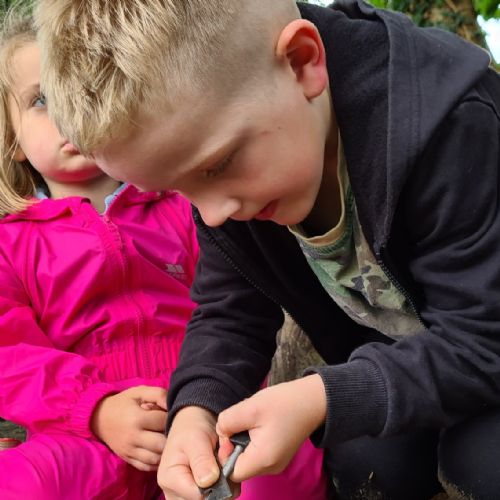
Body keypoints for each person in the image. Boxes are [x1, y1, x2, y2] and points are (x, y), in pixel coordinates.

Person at [34, 0, 500, 498]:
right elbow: (229, 311)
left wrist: (324, 394)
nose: (210, 215)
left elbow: (485, 337)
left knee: (483, 461)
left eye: (216, 165)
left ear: (302, 62)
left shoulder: (447, 123)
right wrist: (197, 408)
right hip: (422, 367)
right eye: (176, 190)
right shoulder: (231, 175)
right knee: (366, 459)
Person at [0, 8, 327, 500]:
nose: (70, 114)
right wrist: (94, 408)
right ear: (14, 140)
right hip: (88, 434)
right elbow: (9, 354)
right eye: (43, 100)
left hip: (210, 407)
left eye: (85, 92)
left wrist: (211, 402)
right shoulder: (12, 240)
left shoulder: (186, 202)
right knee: (22, 481)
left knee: (276, 471)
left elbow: (233, 303)